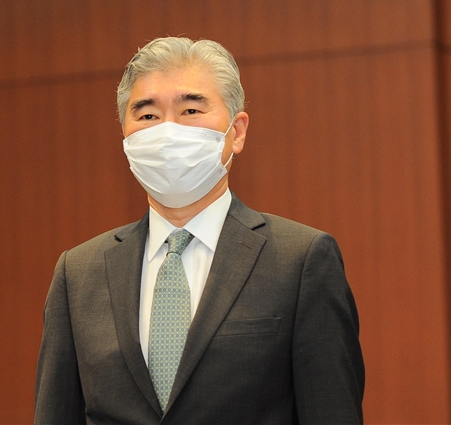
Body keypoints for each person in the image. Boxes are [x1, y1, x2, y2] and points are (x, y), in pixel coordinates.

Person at [34, 37, 365, 424]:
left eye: (190, 110)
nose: (167, 132)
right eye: (147, 116)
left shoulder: (300, 261)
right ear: (125, 135)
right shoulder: (78, 273)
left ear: (236, 132)